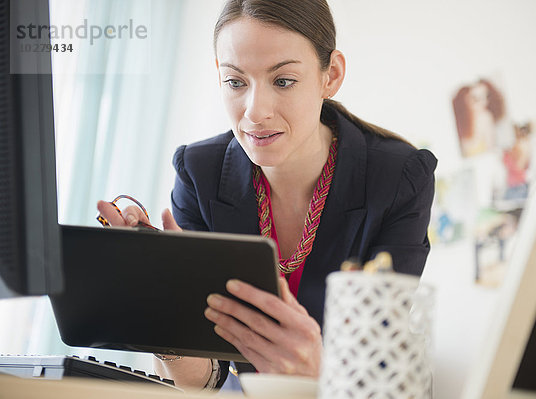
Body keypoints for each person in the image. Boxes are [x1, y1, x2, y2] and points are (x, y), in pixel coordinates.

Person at [97, 0, 437, 391]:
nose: (255, 112)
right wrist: (166, 315)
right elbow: (206, 380)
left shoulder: (398, 178)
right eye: (236, 82)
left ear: (332, 75)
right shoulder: (198, 173)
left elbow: (381, 365)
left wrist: (320, 366)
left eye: (283, 81)